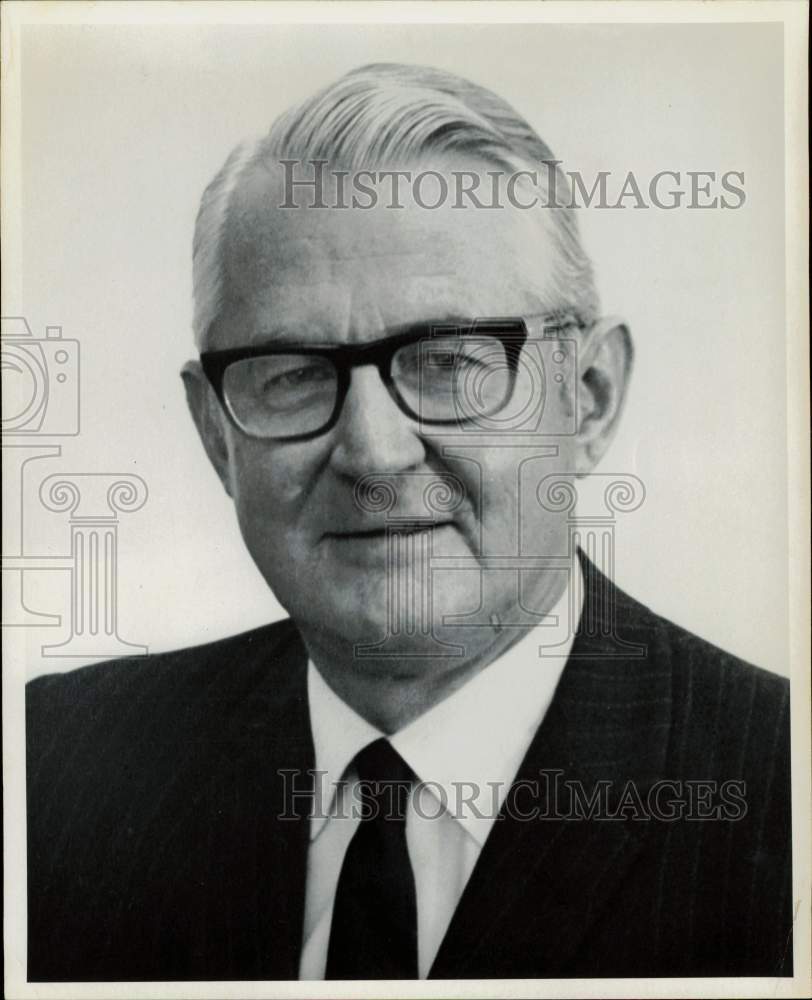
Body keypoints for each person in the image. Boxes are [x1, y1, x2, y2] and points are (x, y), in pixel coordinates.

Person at [26, 63, 792, 982]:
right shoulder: (50, 770)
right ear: (216, 435)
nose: (375, 453)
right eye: (293, 373)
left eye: (450, 362)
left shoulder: (785, 794)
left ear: (587, 399)